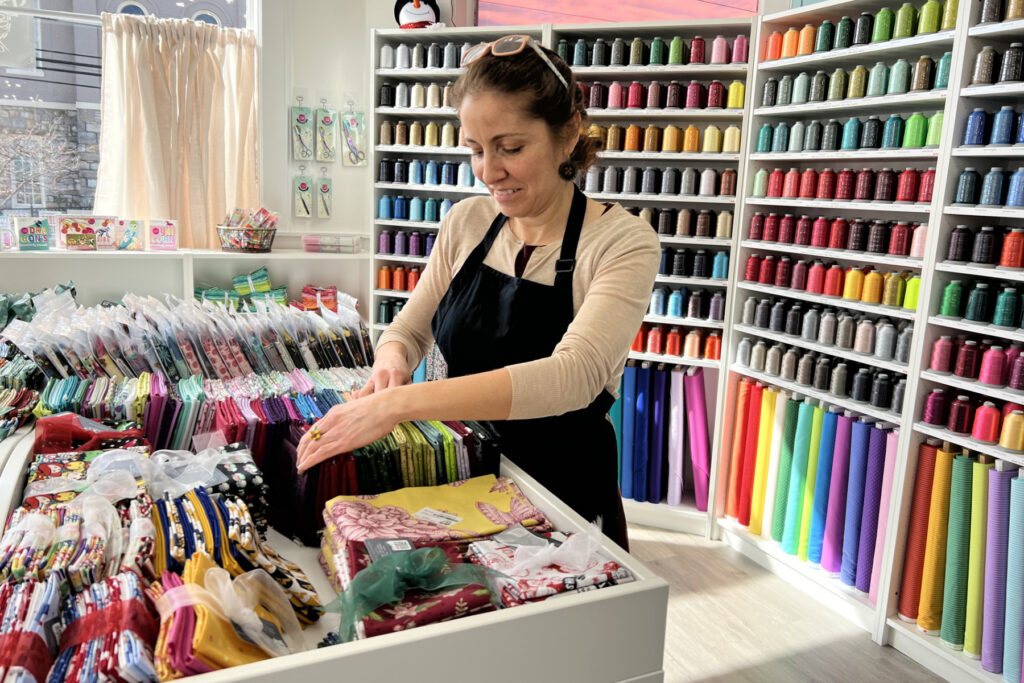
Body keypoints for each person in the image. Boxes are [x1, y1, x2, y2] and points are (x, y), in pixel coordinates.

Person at [296, 35, 659, 549]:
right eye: (476, 150)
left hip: (563, 497)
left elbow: (573, 377)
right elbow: (407, 328)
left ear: (569, 133)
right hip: (466, 477)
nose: (489, 171)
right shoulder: (468, 221)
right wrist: (392, 365)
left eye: (511, 148)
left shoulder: (621, 242)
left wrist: (399, 406)